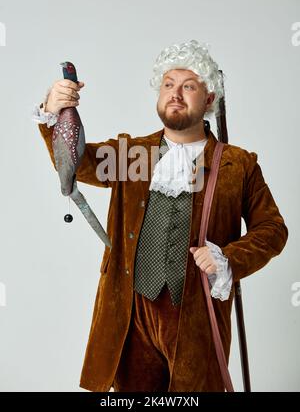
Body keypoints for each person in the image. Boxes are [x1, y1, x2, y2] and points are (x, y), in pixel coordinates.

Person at [32, 39, 288, 392]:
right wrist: (55, 113)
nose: (176, 94)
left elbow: (273, 230)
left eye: (189, 86)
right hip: (130, 316)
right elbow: (74, 163)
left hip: (198, 317)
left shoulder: (238, 165)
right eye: (168, 85)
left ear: (210, 99)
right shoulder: (129, 153)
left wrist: (228, 258)